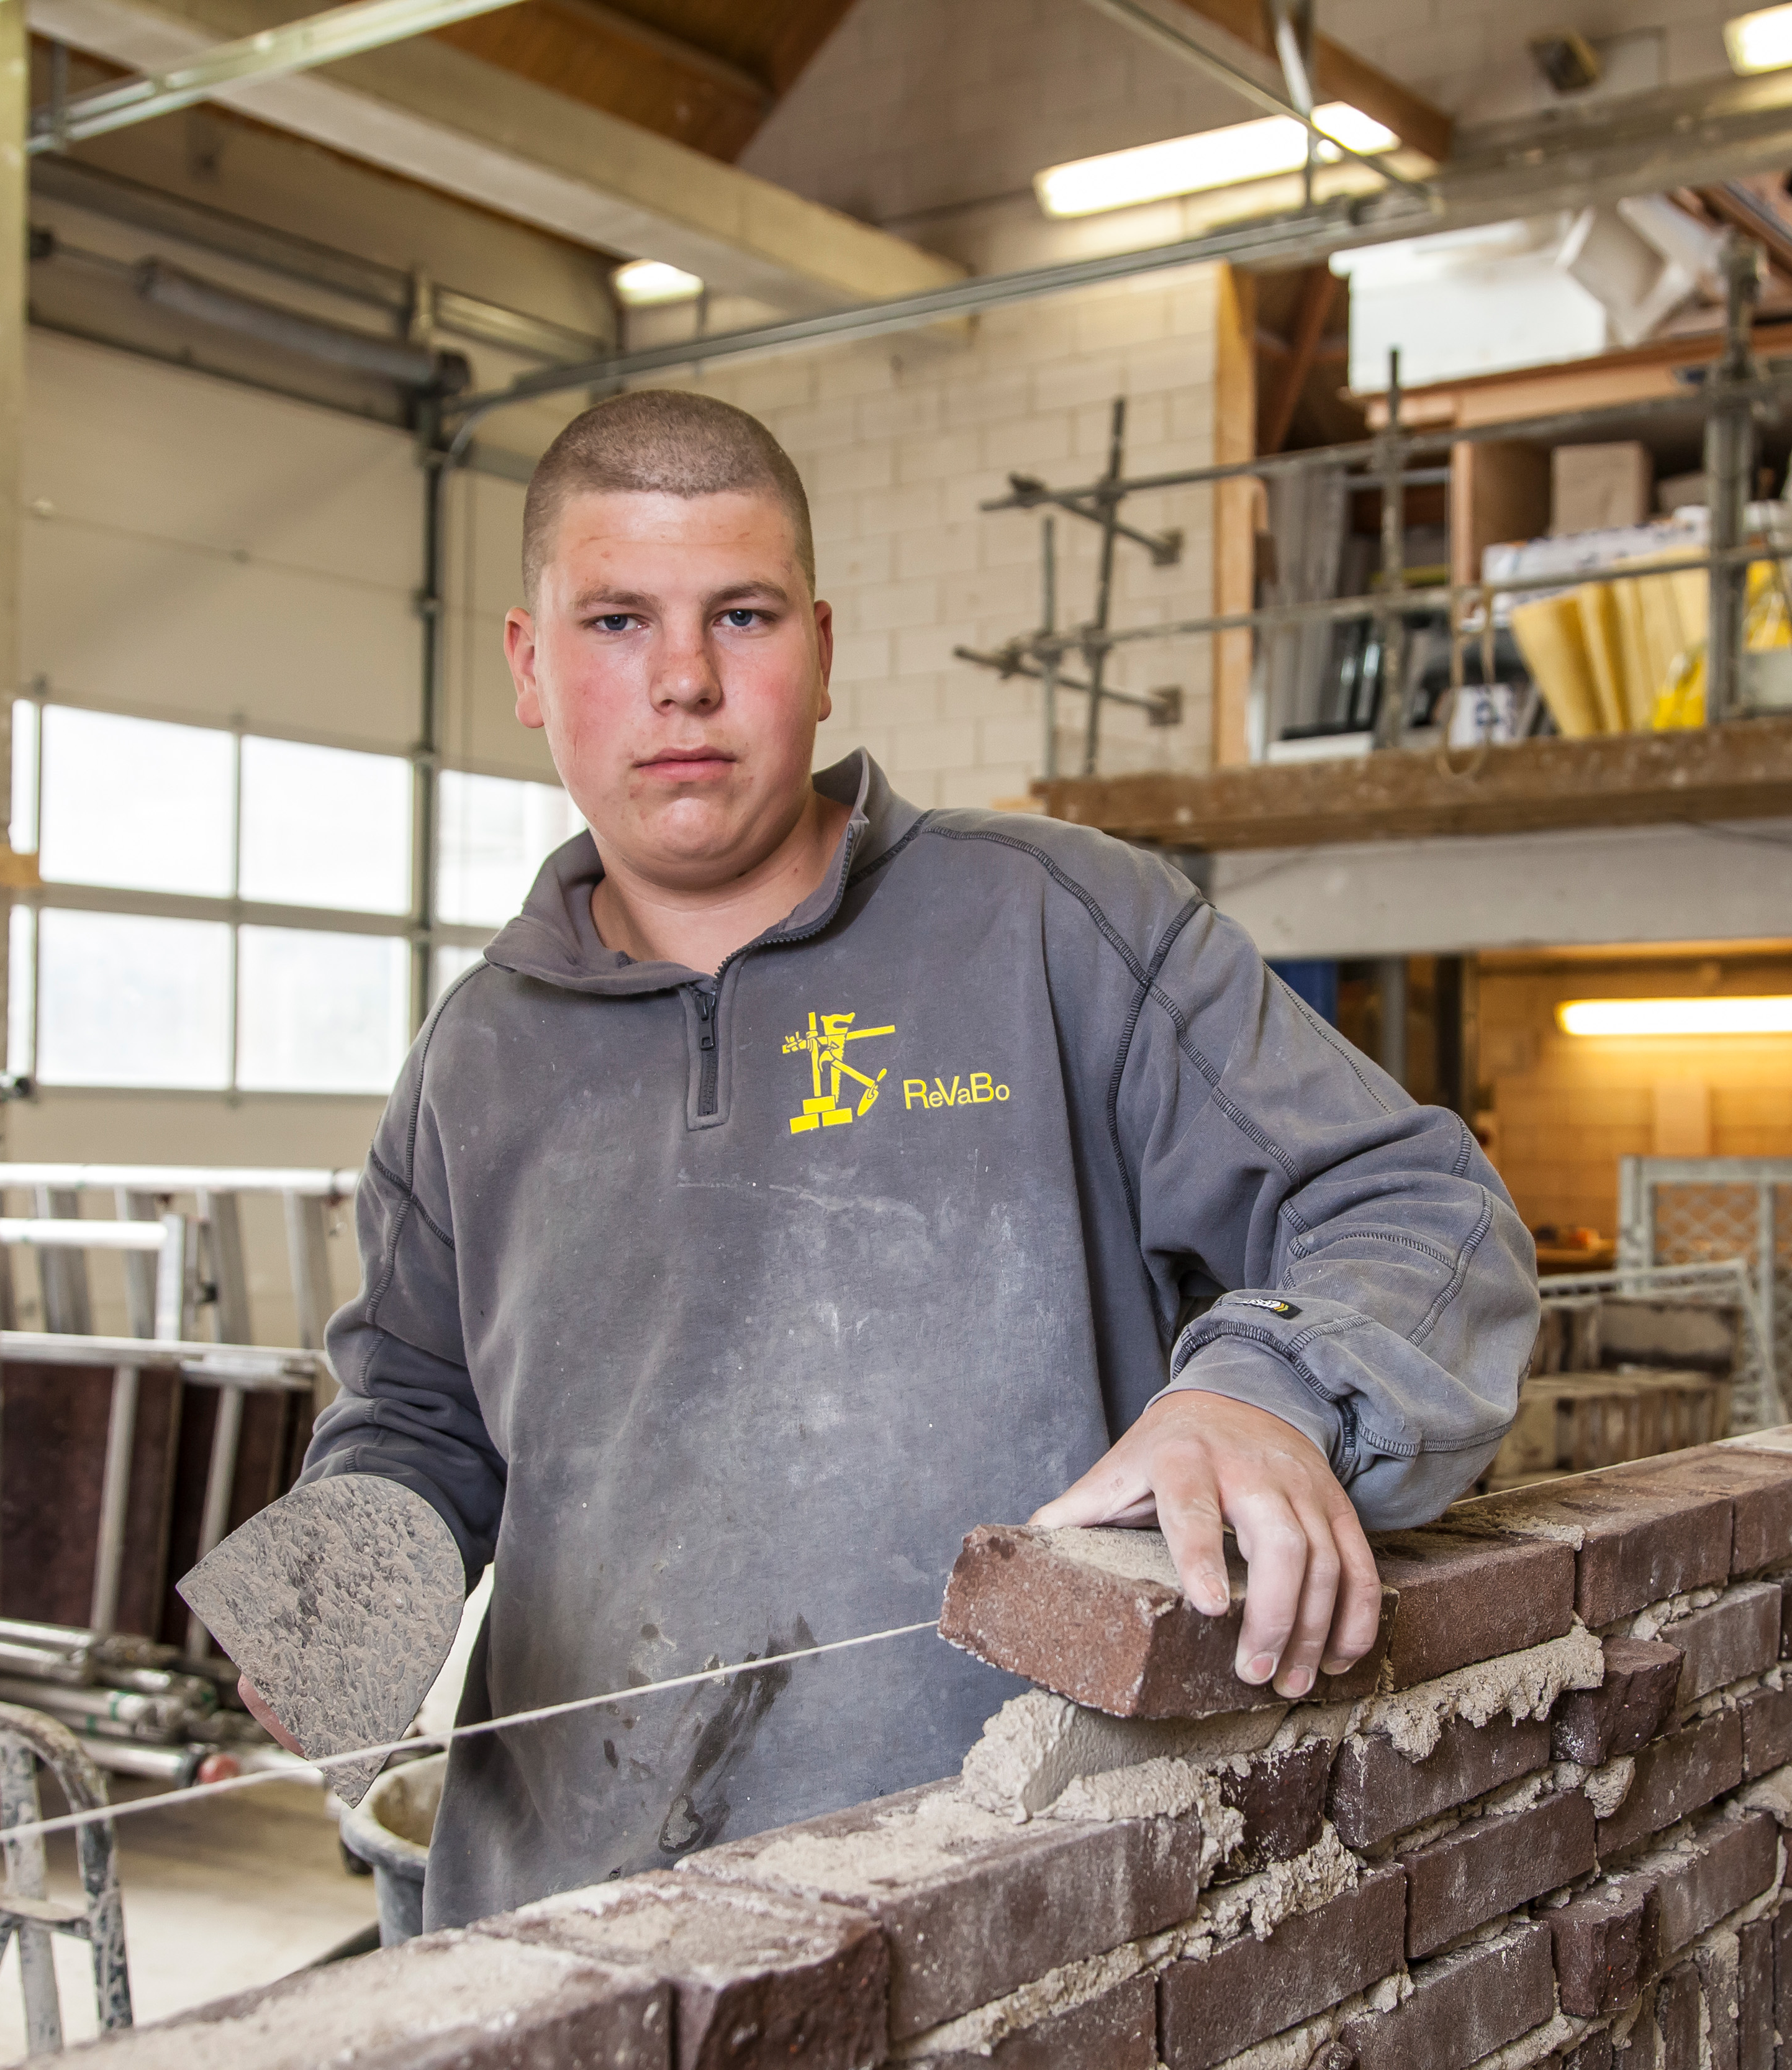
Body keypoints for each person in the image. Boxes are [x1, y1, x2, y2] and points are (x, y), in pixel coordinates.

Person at [279, 389, 1538, 1929]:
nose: (681, 679)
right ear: (531, 667)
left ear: (815, 648)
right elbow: (411, 1410)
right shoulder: (474, 1053)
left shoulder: (1055, 924)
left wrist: (1260, 1395)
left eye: (738, 615)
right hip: (570, 1927)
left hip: (1012, 1902)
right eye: (615, 621)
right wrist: (349, 1578)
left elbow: (1414, 1202)